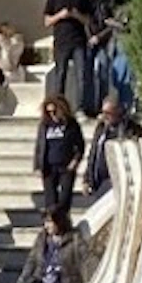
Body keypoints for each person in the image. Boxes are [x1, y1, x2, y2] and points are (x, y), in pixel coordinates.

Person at [41, 0, 92, 108]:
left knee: (81, 75)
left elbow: (88, 20)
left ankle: (81, 106)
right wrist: (60, 16)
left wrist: (76, 15)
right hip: (61, 41)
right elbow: (47, 21)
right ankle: (59, 106)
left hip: (78, 41)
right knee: (60, 75)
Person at [35, 95, 83, 223]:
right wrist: (38, 165)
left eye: (54, 111)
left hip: (66, 166)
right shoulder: (45, 125)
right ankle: (51, 223)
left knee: (64, 198)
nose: (52, 115)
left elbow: (80, 145)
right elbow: (39, 146)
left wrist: (75, 161)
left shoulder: (72, 124)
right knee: (50, 199)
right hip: (49, 167)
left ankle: (63, 222)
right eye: (49, 112)